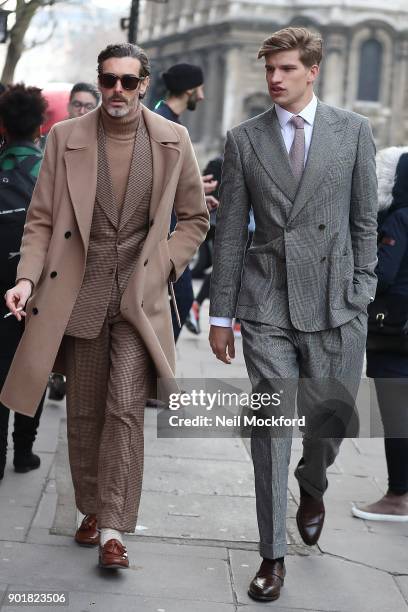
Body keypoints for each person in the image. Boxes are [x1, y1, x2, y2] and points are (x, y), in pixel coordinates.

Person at [1, 43, 208, 569]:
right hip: (80, 293)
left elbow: (194, 219)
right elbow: (42, 220)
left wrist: (163, 267)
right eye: (108, 79)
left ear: (145, 85)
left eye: (127, 81)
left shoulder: (172, 139)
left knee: (124, 409)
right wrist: (26, 279)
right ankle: (89, 510)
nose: (116, 90)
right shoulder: (65, 138)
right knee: (85, 410)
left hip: (139, 298)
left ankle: (115, 528)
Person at [209, 27, 377, 601]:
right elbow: (230, 231)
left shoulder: (353, 132)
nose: (274, 79)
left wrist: (363, 286)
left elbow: (364, 222)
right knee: (270, 427)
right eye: (269, 69)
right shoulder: (244, 139)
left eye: (285, 69)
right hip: (267, 304)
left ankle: (313, 482)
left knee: (329, 422)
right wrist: (220, 314)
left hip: (336, 303)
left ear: (313, 71)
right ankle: (270, 555)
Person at [352, 148, 408, 522]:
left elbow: (382, 274)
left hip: (396, 331)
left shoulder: (400, 219)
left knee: (396, 412)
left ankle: (397, 497)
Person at [0, 84, 47, 480]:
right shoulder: (46, 169)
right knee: (33, 367)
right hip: (36, 287)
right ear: (39, 127)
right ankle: (24, 450)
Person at [154, 63, 218, 340]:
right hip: (162, 237)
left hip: (169, 231)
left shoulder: (168, 120)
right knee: (180, 302)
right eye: (200, 89)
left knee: (178, 303)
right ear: (190, 89)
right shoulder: (162, 122)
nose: (202, 96)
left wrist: (195, 190)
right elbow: (154, 181)